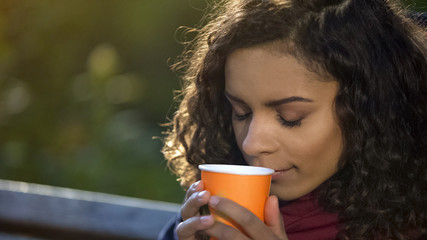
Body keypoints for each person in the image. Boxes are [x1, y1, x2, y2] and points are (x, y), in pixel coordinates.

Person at [159, 0, 427, 239]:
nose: (252, 144)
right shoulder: (215, 213)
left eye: (290, 118)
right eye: (241, 112)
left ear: (369, 109)